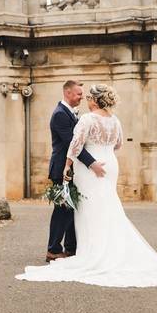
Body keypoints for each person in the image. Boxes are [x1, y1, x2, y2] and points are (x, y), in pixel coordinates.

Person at [18, 83, 157, 287]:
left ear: (95, 100)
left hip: (90, 167)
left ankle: (89, 252)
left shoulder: (87, 119)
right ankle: (97, 248)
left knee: (89, 208)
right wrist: (103, 153)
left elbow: (74, 146)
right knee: (107, 205)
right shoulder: (115, 120)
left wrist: (68, 166)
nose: (86, 99)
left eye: (88, 97)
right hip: (109, 164)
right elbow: (118, 144)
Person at [44, 80, 105, 262]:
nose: (81, 97)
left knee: (71, 208)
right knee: (62, 209)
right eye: (78, 94)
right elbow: (73, 144)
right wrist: (92, 163)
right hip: (62, 169)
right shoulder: (60, 115)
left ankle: (71, 248)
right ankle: (53, 250)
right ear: (68, 93)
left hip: (70, 170)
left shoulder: (69, 113)